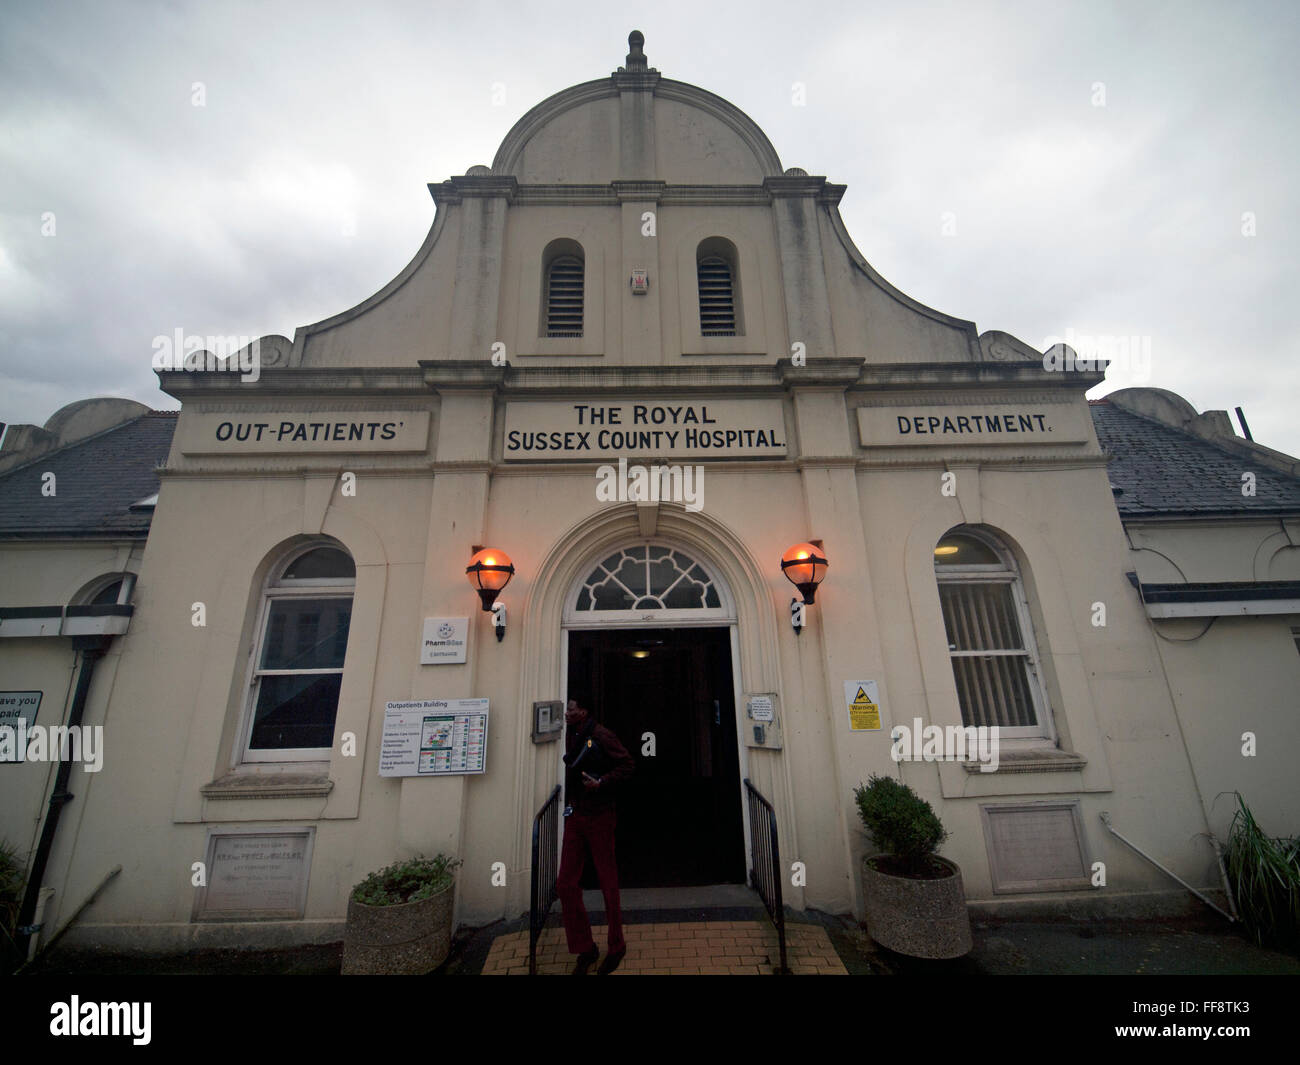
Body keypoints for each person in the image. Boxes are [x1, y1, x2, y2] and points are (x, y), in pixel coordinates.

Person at [556, 695, 635, 975]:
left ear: (584, 710)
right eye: (566, 708)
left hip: (601, 815)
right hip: (576, 814)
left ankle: (617, 946)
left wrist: (601, 782)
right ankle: (585, 947)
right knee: (565, 883)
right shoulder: (566, 734)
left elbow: (628, 765)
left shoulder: (602, 734)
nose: (566, 712)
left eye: (571, 708)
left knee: (607, 882)